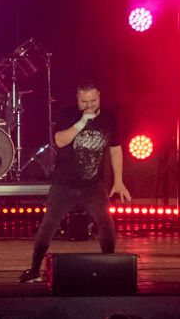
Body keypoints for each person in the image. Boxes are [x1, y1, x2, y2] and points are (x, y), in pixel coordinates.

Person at [20, 81, 130, 283]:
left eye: (93, 101)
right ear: (77, 99)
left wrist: (119, 180)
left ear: (99, 97)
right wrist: (81, 122)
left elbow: (115, 149)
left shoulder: (108, 118)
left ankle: (110, 267)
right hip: (65, 183)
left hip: (93, 183)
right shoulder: (67, 114)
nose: (89, 105)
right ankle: (34, 270)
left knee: (105, 222)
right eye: (84, 101)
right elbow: (60, 141)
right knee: (49, 225)